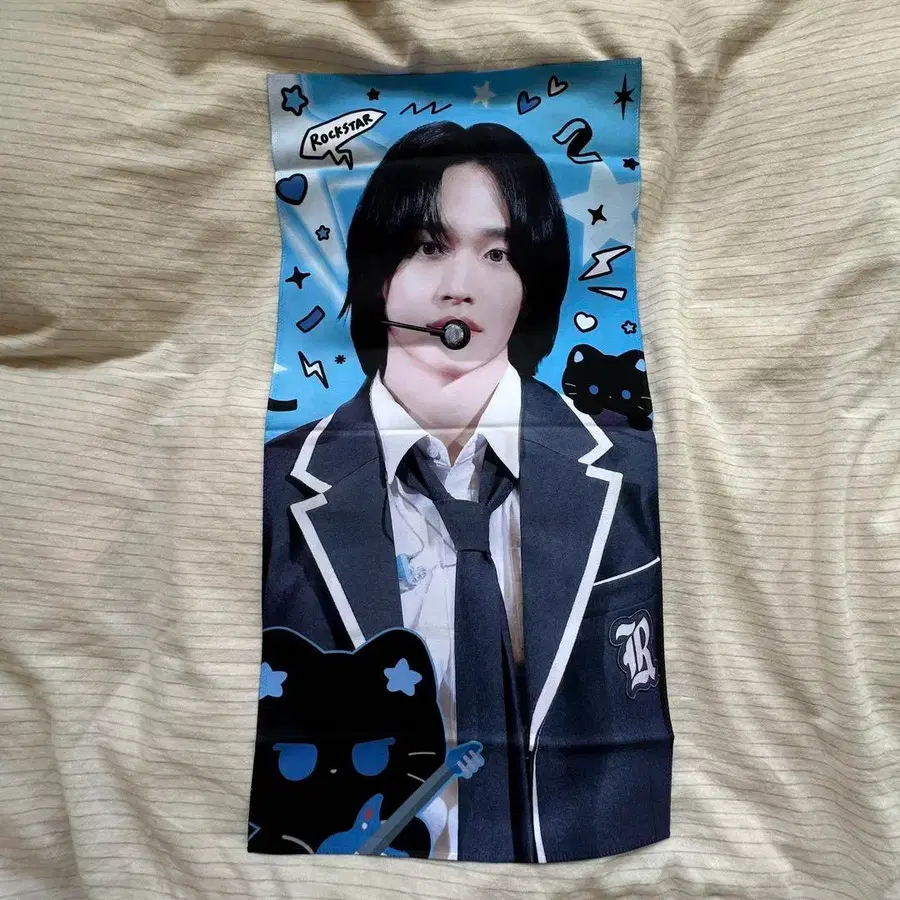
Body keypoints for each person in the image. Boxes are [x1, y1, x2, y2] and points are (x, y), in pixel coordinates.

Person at [256, 121, 672, 863]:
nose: (461, 285)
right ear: (378, 271)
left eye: (496, 253)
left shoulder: (638, 474)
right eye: (428, 246)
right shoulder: (272, 491)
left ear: (529, 285)